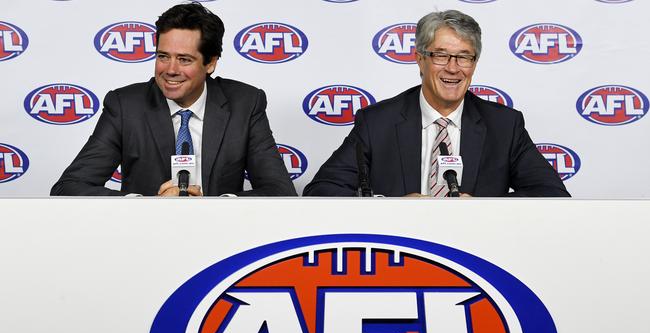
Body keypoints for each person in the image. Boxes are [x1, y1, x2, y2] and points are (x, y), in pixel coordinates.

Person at [303, 10, 569, 197]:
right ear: (420, 59)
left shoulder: (504, 125)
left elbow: (551, 194)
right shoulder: (377, 122)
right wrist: (388, 208)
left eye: (464, 57)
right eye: (441, 55)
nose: (453, 68)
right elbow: (322, 191)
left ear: (474, 64)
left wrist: (483, 209)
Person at [51, 2, 296, 197]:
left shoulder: (245, 103)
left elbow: (280, 190)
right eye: (163, 56)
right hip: (144, 237)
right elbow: (69, 187)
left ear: (210, 63)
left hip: (222, 239)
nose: (170, 69)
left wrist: (218, 208)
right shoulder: (125, 106)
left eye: (185, 59)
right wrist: (145, 206)